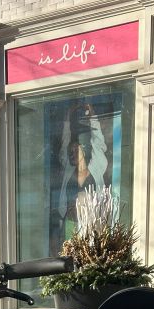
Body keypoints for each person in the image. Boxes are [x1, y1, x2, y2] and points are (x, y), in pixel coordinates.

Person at [58, 103, 108, 240]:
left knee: (89, 258)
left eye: (76, 150)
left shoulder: (96, 168)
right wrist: (67, 118)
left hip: (91, 225)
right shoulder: (69, 172)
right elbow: (64, 142)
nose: (72, 154)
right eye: (70, 152)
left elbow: (98, 143)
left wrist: (93, 117)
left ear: (84, 150)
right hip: (70, 224)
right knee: (69, 258)